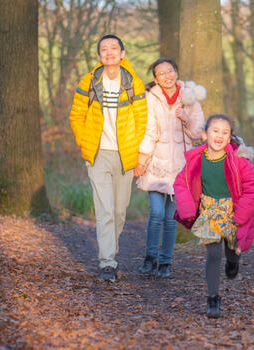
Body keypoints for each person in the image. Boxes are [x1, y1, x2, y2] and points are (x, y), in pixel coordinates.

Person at [69, 35, 147, 282]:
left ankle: (110, 251)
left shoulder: (134, 83)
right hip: (98, 154)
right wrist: (85, 143)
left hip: (125, 156)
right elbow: (76, 115)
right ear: (99, 55)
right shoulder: (90, 81)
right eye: (104, 49)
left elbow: (142, 121)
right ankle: (107, 263)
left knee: (119, 211)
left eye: (114, 48)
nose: (109, 52)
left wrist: (136, 151)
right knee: (105, 210)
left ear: (123, 53)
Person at [173, 114, 254, 318]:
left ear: (230, 138)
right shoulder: (196, 160)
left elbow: (252, 188)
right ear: (205, 134)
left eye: (225, 132)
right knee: (213, 254)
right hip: (209, 211)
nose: (219, 136)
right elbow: (181, 183)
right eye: (215, 131)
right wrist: (187, 210)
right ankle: (213, 298)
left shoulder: (239, 162)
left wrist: (239, 216)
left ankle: (233, 261)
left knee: (231, 250)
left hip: (232, 212)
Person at [134, 58, 205, 278]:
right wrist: (143, 159)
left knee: (171, 217)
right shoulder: (151, 98)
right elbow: (149, 130)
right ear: (155, 78)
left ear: (176, 72)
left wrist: (185, 118)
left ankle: (166, 262)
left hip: (180, 167)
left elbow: (197, 134)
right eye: (161, 73)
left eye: (170, 70)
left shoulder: (189, 97)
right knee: (156, 213)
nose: (167, 75)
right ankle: (150, 258)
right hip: (157, 164)